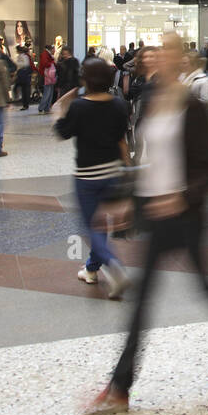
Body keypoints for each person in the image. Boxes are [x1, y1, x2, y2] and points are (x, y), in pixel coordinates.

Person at [78, 34, 208, 415]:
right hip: (158, 215)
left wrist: (181, 197)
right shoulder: (150, 102)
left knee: (204, 286)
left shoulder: (192, 105)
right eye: (155, 52)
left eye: (167, 52)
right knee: (152, 298)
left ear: (181, 60)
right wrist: (129, 198)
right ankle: (121, 387)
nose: (157, 57)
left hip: (186, 214)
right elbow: (148, 159)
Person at [54, 57, 132, 299]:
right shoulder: (119, 105)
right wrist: (127, 171)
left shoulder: (79, 107)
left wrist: (59, 110)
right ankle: (91, 268)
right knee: (103, 226)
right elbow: (122, 140)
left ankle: (114, 265)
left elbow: (62, 132)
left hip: (87, 177)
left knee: (92, 227)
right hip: (113, 173)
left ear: (85, 79)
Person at [37, 45, 58, 113]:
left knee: (49, 92)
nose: (54, 51)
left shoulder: (47, 54)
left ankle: (47, 108)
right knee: (47, 92)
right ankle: (42, 107)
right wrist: (52, 63)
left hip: (48, 76)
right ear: (51, 49)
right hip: (47, 76)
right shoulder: (45, 54)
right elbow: (45, 64)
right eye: (53, 49)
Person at [13, 44, 33, 109]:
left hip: (23, 74)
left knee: (24, 89)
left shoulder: (24, 56)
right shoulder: (20, 56)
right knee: (23, 89)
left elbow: (26, 64)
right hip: (21, 74)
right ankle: (24, 103)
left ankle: (25, 104)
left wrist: (18, 64)